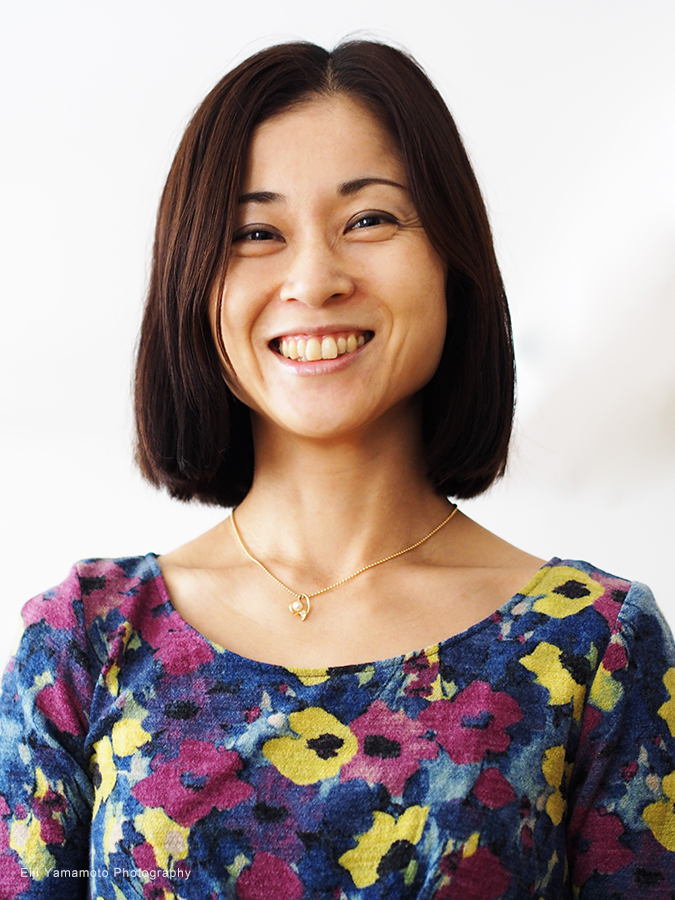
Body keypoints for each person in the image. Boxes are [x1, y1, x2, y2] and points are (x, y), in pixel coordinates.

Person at [1, 39, 673, 900]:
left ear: (452, 261)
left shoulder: (593, 644)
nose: (313, 279)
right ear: (191, 282)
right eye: (256, 233)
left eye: (369, 220)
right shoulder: (86, 638)